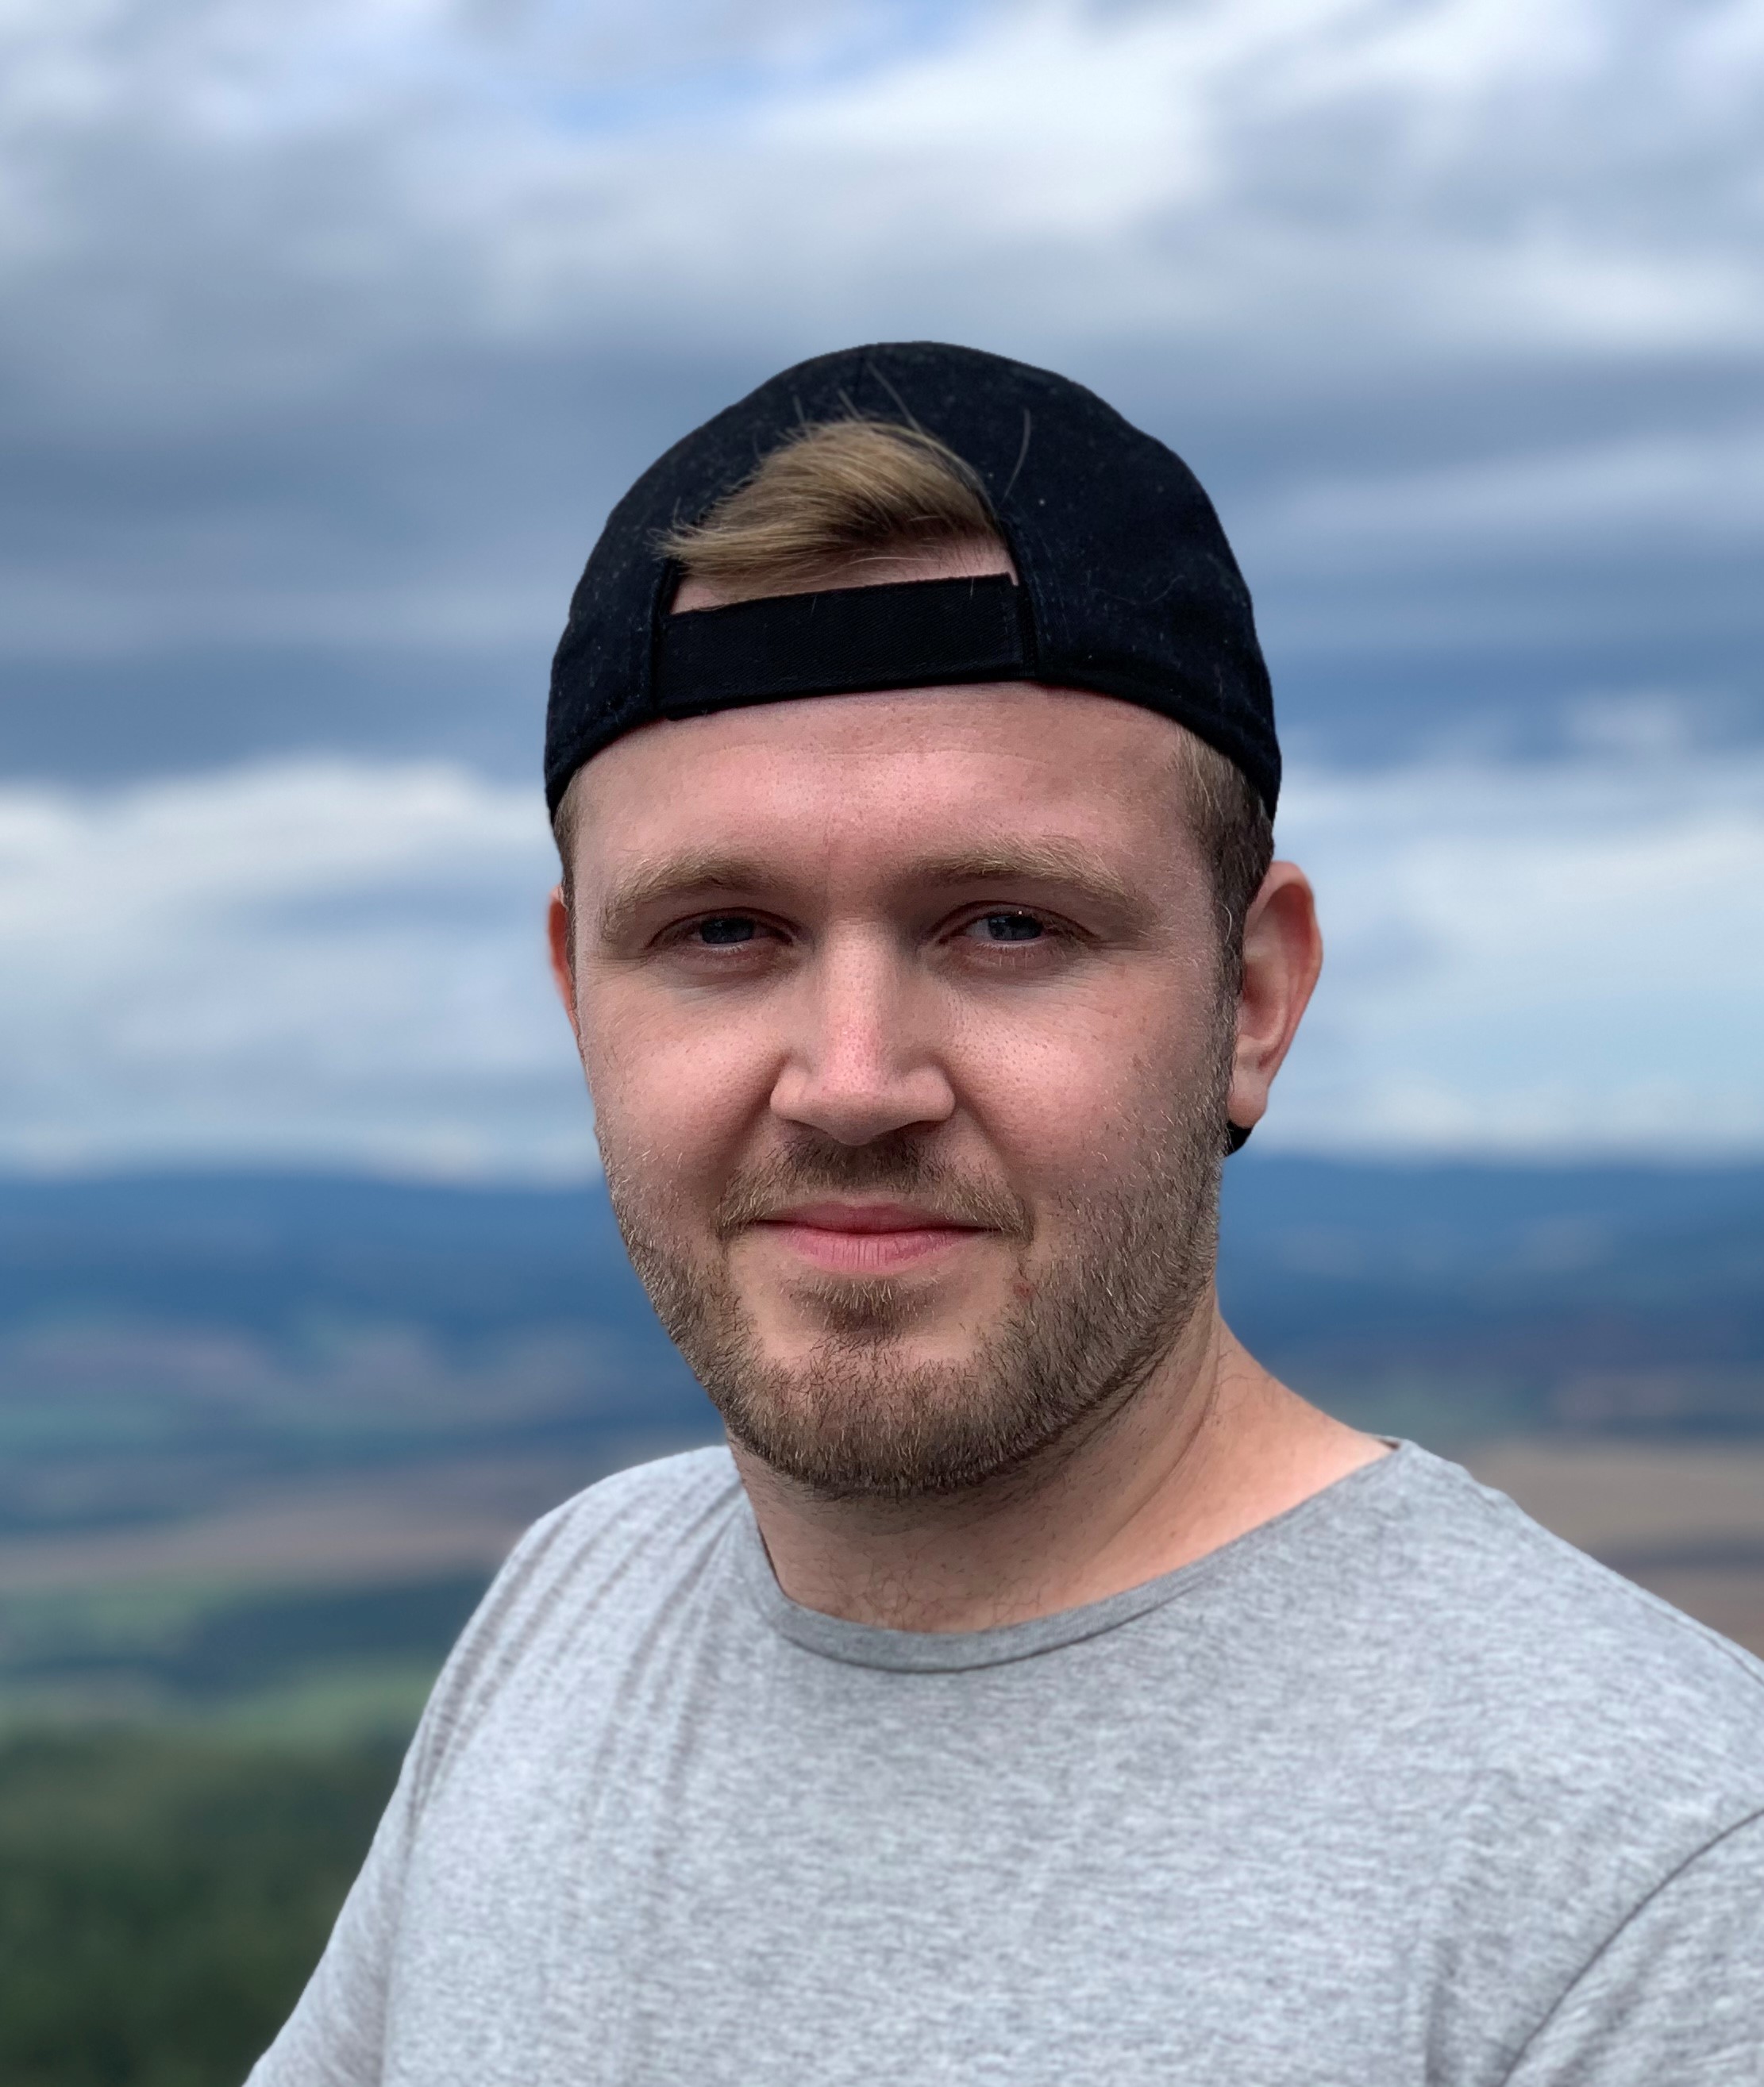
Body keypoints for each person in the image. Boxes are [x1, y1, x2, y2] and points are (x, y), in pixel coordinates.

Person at [248, 343, 1764, 2085]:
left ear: (1253, 998)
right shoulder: (576, 1601)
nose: (851, 1078)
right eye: (722, 931)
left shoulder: (1647, 1896)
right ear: (577, 993)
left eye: (1006, 925)